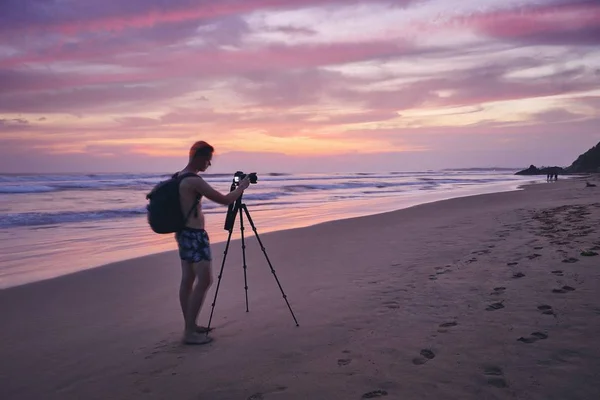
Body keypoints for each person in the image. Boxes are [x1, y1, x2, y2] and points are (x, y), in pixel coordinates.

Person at [175, 141, 251, 345]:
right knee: (205, 280)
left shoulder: (178, 176)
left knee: (188, 279)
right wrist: (242, 187)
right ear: (199, 157)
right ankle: (189, 332)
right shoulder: (194, 180)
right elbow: (225, 200)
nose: (209, 164)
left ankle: (190, 325)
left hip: (183, 234)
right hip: (195, 236)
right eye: (208, 160)